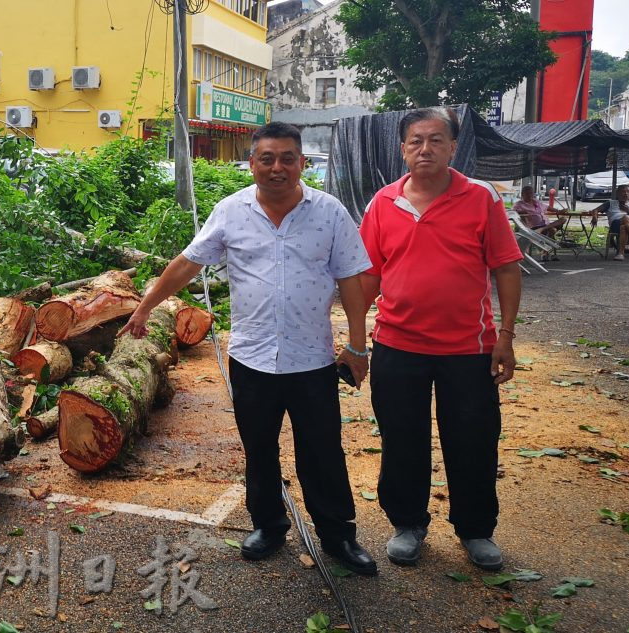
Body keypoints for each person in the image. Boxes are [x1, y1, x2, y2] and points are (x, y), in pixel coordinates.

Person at [119, 123, 378, 576]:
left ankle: (338, 536)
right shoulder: (231, 210)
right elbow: (187, 263)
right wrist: (144, 308)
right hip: (251, 358)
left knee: (321, 450)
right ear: (252, 162)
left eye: (287, 158)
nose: (277, 167)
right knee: (258, 448)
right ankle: (268, 525)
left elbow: (351, 281)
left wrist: (357, 346)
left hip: (312, 359)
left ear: (302, 163)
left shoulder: (330, 213)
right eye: (267, 158)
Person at [357, 107, 522, 572]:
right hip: (396, 346)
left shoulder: (480, 199)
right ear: (403, 149)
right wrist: (353, 339)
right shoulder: (383, 203)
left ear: (452, 147)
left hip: (468, 350)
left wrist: (505, 338)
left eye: (435, 140)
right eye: (415, 141)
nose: (424, 148)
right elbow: (368, 276)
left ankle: (475, 530)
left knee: (473, 438)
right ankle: (408, 524)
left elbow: (506, 267)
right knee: (402, 438)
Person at [605, 184, 629, 261]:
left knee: (624, 226)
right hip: (615, 225)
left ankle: (621, 254)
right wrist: (595, 216)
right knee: (625, 219)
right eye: (623, 192)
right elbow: (595, 210)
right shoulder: (611, 203)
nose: (626, 193)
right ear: (617, 193)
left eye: (628, 191)